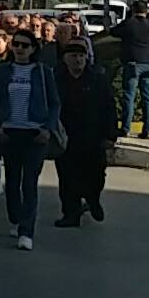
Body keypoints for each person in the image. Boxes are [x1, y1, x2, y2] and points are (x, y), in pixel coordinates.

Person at [0, 29, 59, 251]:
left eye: (25, 45)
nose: (19, 49)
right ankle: (15, 219)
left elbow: (55, 103)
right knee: (12, 181)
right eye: (16, 44)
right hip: (10, 132)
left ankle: (27, 230)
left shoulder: (43, 72)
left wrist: (48, 128)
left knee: (29, 182)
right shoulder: (3, 71)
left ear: (33, 49)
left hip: (35, 133)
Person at [53, 41, 116, 227]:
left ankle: (92, 199)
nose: (78, 59)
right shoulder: (57, 80)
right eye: (73, 56)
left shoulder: (97, 79)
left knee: (96, 174)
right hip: (66, 137)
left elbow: (109, 107)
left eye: (81, 56)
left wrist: (111, 134)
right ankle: (71, 214)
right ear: (65, 59)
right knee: (67, 177)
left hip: (93, 137)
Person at [103, 0, 149, 138]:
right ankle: (147, 130)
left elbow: (114, 32)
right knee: (148, 98)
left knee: (129, 96)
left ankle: (126, 128)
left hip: (133, 62)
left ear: (133, 10)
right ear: (146, 11)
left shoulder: (129, 24)